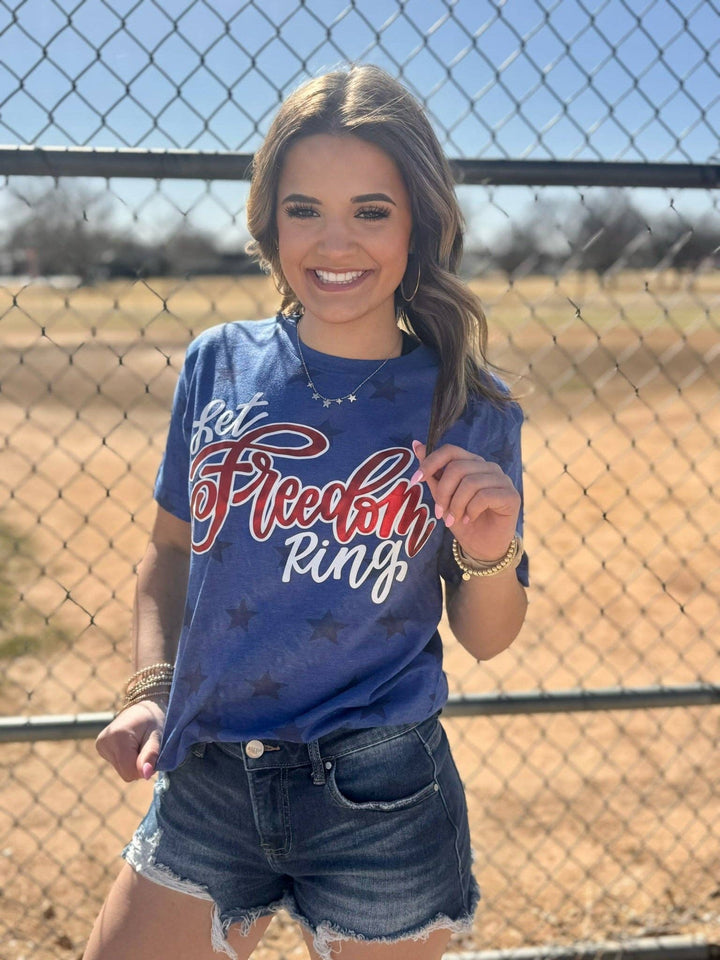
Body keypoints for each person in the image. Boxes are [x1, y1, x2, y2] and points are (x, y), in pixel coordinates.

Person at [85, 63, 529, 960]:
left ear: (418, 225)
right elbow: (169, 554)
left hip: (384, 795)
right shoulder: (218, 364)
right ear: (268, 218)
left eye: (371, 210)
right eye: (304, 210)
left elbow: (487, 635)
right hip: (210, 774)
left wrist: (490, 547)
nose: (336, 242)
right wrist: (150, 693)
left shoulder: (467, 404)